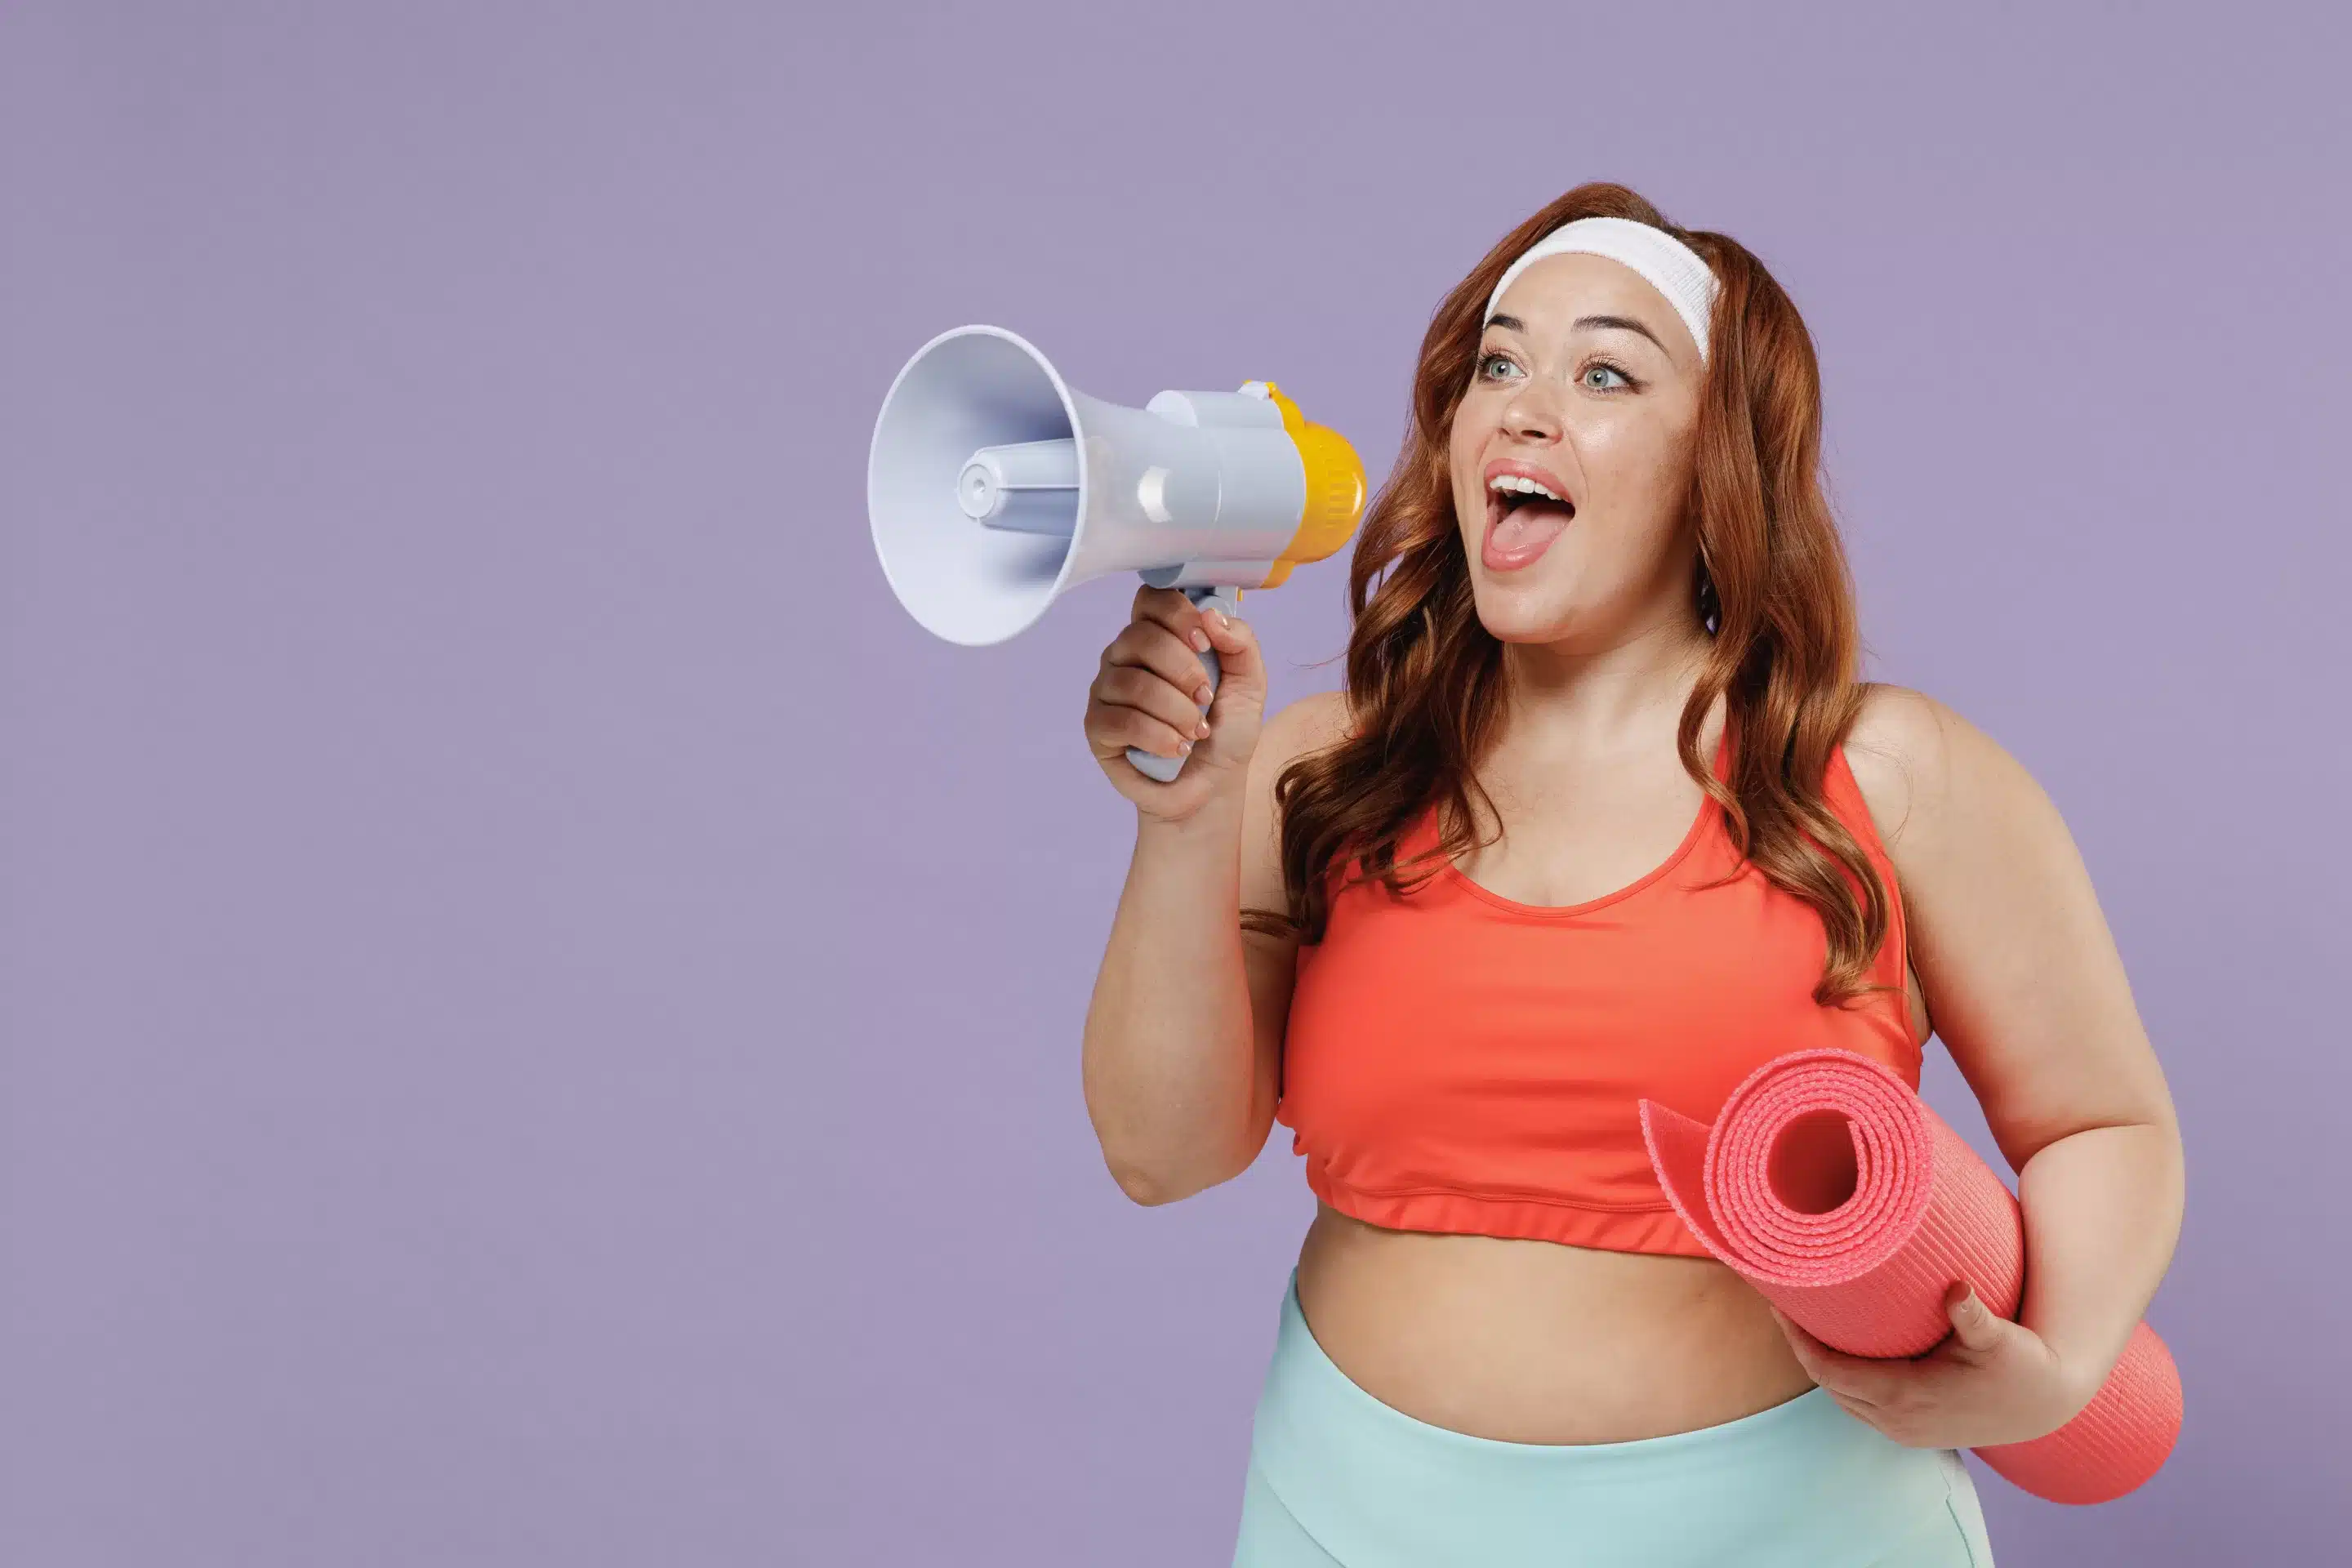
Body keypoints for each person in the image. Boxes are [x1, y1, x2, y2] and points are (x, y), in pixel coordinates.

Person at [1077, 184, 2182, 1567]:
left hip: (1795, 1528)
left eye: (1604, 370)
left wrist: (2065, 1364)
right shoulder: (1324, 766)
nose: (1524, 408)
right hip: (1343, 1515)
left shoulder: (1883, 774)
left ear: (1718, 462)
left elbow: (2103, 1124)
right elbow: (1159, 1156)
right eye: (1498, 362)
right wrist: (1183, 822)